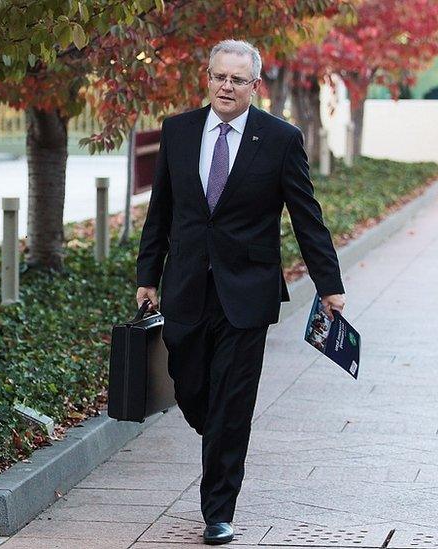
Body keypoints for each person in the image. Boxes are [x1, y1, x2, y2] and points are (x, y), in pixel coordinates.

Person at [134, 39, 346, 545]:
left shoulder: (279, 139)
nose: (226, 86)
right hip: (186, 286)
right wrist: (147, 276)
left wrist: (330, 285)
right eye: (218, 77)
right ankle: (220, 430)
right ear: (207, 79)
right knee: (189, 383)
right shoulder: (179, 131)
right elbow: (160, 210)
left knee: (233, 399)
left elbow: (306, 217)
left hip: (247, 292)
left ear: (256, 86)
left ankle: (218, 511)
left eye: (237, 79)